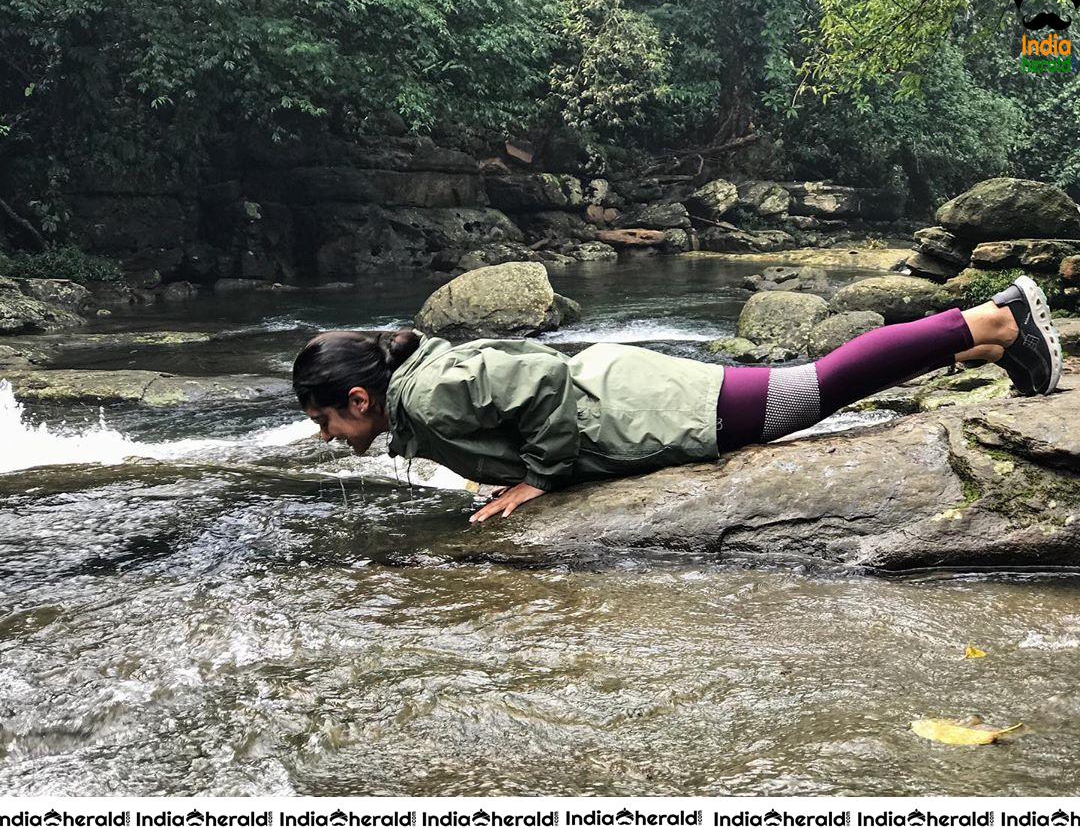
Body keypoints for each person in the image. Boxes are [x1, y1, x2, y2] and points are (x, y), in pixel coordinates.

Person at [292, 275, 1062, 524]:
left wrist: (539, 479)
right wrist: (497, 472)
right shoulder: (420, 388)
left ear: (359, 398)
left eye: (323, 419)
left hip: (648, 407)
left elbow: (545, 387)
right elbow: (502, 408)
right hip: (629, 390)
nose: (326, 436)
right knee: (818, 387)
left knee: (817, 387)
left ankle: (995, 317)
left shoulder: (425, 399)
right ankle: (986, 345)